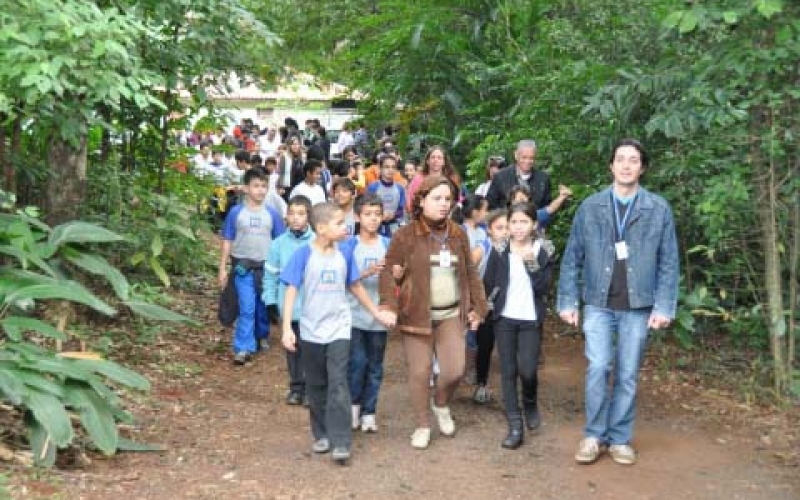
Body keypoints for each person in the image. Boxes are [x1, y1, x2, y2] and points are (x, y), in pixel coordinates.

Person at [557, 138, 679, 466]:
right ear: (611, 166)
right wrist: (568, 300)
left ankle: (620, 438)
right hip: (598, 300)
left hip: (638, 305)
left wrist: (664, 306)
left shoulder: (657, 208)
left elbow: (669, 261)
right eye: (621, 159)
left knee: (627, 373)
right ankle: (595, 435)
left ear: (642, 167)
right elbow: (572, 256)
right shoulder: (591, 207)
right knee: (598, 367)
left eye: (633, 160)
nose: (626, 165)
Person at [378, 175, 488, 450]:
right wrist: (389, 306)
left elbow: (471, 273)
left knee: (454, 370)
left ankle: (441, 404)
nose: (443, 204)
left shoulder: (458, 234)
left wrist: (479, 307)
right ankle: (423, 424)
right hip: (416, 315)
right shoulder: (405, 235)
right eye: (437, 198)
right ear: (421, 200)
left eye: (448, 199)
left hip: (450, 314)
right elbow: (388, 273)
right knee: (420, 372)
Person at [280, 202, 393, 464]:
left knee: (339, 381)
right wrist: (287, 327)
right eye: (339, 223)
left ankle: (341, 441)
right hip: (310, 330)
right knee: (317, 384)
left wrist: (377, 313)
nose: (345, 227)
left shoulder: (345, 254)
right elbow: (291, 290)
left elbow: (354, 286)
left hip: (340, 328)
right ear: (321, 228)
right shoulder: (303, 254)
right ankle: (322, 434)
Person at [483, 203, 556, 449]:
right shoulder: (500, 249)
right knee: (508, 370)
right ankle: (515, 425)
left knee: (528, 370)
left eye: (524, 222)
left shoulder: (543, 249)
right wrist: (482, 310)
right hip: (505, 318)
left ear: (534, 225)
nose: (518, 227)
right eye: (514, 222)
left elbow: (545, 288)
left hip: (530, 319)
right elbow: (488, 282)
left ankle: (530, 401)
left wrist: (531, 263)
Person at [219, 167, 286, 365]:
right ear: (246, 188)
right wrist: (222, 267)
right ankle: (243, 348)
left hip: (267, 268)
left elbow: (280, 242)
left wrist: (282, 269)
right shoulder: (236, 212)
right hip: (242, 267)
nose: (261, 190)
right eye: (256, 186)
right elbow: (227, 239)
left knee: (262, 306)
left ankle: (262, 334)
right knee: (246, 307)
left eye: (264, 186)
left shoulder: (272, 214)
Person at [340, 193, 391, 434]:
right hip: (354, 315)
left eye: (377, 215)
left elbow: (397, 279)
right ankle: (353, 409)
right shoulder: (348, 245)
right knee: (356, 363)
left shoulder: (388, 244)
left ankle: (370, 412)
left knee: (375, 366)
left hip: (380, 317)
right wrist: (367, 272)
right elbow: (343, 279)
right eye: (368, 215)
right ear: (357, 216)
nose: (373, 219)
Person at [263, 195, 315, 405]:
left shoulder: (316, 242)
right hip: (289, 307)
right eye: (292, 213)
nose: (295, 218)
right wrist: (270, 301)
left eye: (301, 214)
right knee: (293, 350)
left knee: (312, 350)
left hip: (312, 308)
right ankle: (296, 387)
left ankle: (312, 389)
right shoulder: (278, 244)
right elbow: (271, 275)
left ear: (308, 216)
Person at [473, 209, 509, 404]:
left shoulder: (516, 248)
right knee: (485, 345)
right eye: (499, 228)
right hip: (486, 306)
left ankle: (509, 390)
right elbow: (467, 272)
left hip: (509, 306)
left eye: (507, 227)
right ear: (489, 230)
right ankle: (481, 383)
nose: (504, 231)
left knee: (509, 347)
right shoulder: (482, 249)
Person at [456, 194, 490, 385]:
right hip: (462, 286)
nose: (487, 213)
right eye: (485, 210)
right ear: (476, 212)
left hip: (479, 285)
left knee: (474, 326)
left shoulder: (483, 232)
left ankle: (469, 368)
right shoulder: (459, 231)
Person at [486, 140, 552, 211]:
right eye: (524, 157)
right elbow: (490, 205)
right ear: (516, 155)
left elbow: (547, 207)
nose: (527, 161)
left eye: (531, 158)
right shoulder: (500, 177)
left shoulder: (543, 178)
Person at [405, 146, 462, 211]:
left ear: (444, 162)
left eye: (439, 158)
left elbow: (458, 201)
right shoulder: (418, 179)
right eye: (433, 157)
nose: (436, 160)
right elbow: (410, 200)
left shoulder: (451, 179)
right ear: (427, 161)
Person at [366, 154, 407, 237]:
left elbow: (401, 210)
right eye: (387, 167)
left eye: (393, 167)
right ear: (380, 169)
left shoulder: (400, 188)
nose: (390, 170)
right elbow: (367, 207)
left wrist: (393, 215)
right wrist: (380, 214)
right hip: (375, 227)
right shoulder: (373, 187)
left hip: (394, 227)